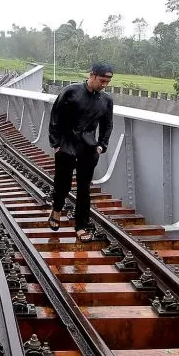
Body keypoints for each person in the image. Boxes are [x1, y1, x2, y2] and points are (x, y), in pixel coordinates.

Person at [47, 62, 114, 242]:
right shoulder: (71, 92)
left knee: (84, 189)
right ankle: (57, 209)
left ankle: (81, 225)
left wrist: (101, 145)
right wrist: (56, 144)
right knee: (63, 184)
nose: (104, 85)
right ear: (92, 75)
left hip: (89, 149)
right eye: (102, 80)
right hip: (66, 145)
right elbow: (55, 117)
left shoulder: (106, 101)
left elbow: (107, 126)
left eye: (108, 82)